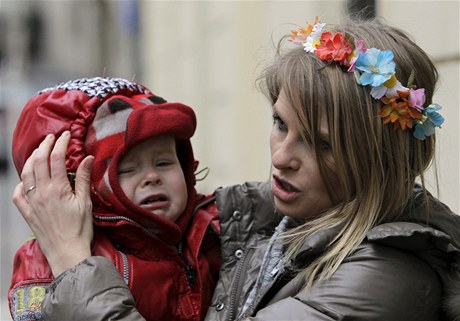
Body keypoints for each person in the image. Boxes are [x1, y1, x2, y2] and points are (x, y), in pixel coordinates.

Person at [13, 17, 460, 321]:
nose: (282, 156)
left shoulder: (384, 279)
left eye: (321, 144)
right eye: (280, 123)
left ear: (380, 159)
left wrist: (74, 262)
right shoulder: (289, 216)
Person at [9, 77, 221, 321]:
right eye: (126, 169)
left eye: (164, 163)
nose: (152, 176)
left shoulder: (208, 227)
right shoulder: (48, 260)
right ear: (78, 185)